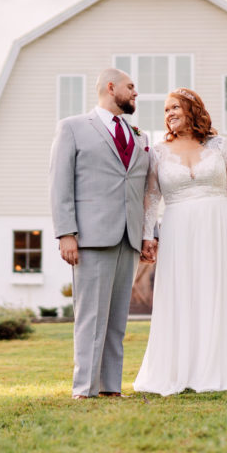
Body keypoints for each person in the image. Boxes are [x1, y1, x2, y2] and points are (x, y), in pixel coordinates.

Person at [133, 87, 227, 396]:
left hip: (219, 223)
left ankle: (223, 365)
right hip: (178, 226)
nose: (169, 113)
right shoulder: (158, 151)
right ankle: (183, 368)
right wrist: (146, 234)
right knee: (183, 292)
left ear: (193, 110)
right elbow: (152, 197)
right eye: (166, 109)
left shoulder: (219, 145)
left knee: (218, 290)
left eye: (175, 107)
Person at [49, 68, 157, 399]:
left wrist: (144, 234)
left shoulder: (140, 136)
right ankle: (84, 388)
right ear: (111, 88)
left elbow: (141, 188)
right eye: (131, 87)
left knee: (116, 320)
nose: (136, 93)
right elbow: (59, 183)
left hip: (128, 238)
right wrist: (66, 232)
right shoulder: (73, 128)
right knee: (90, 317)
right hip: (91, 238)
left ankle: (111, 387)